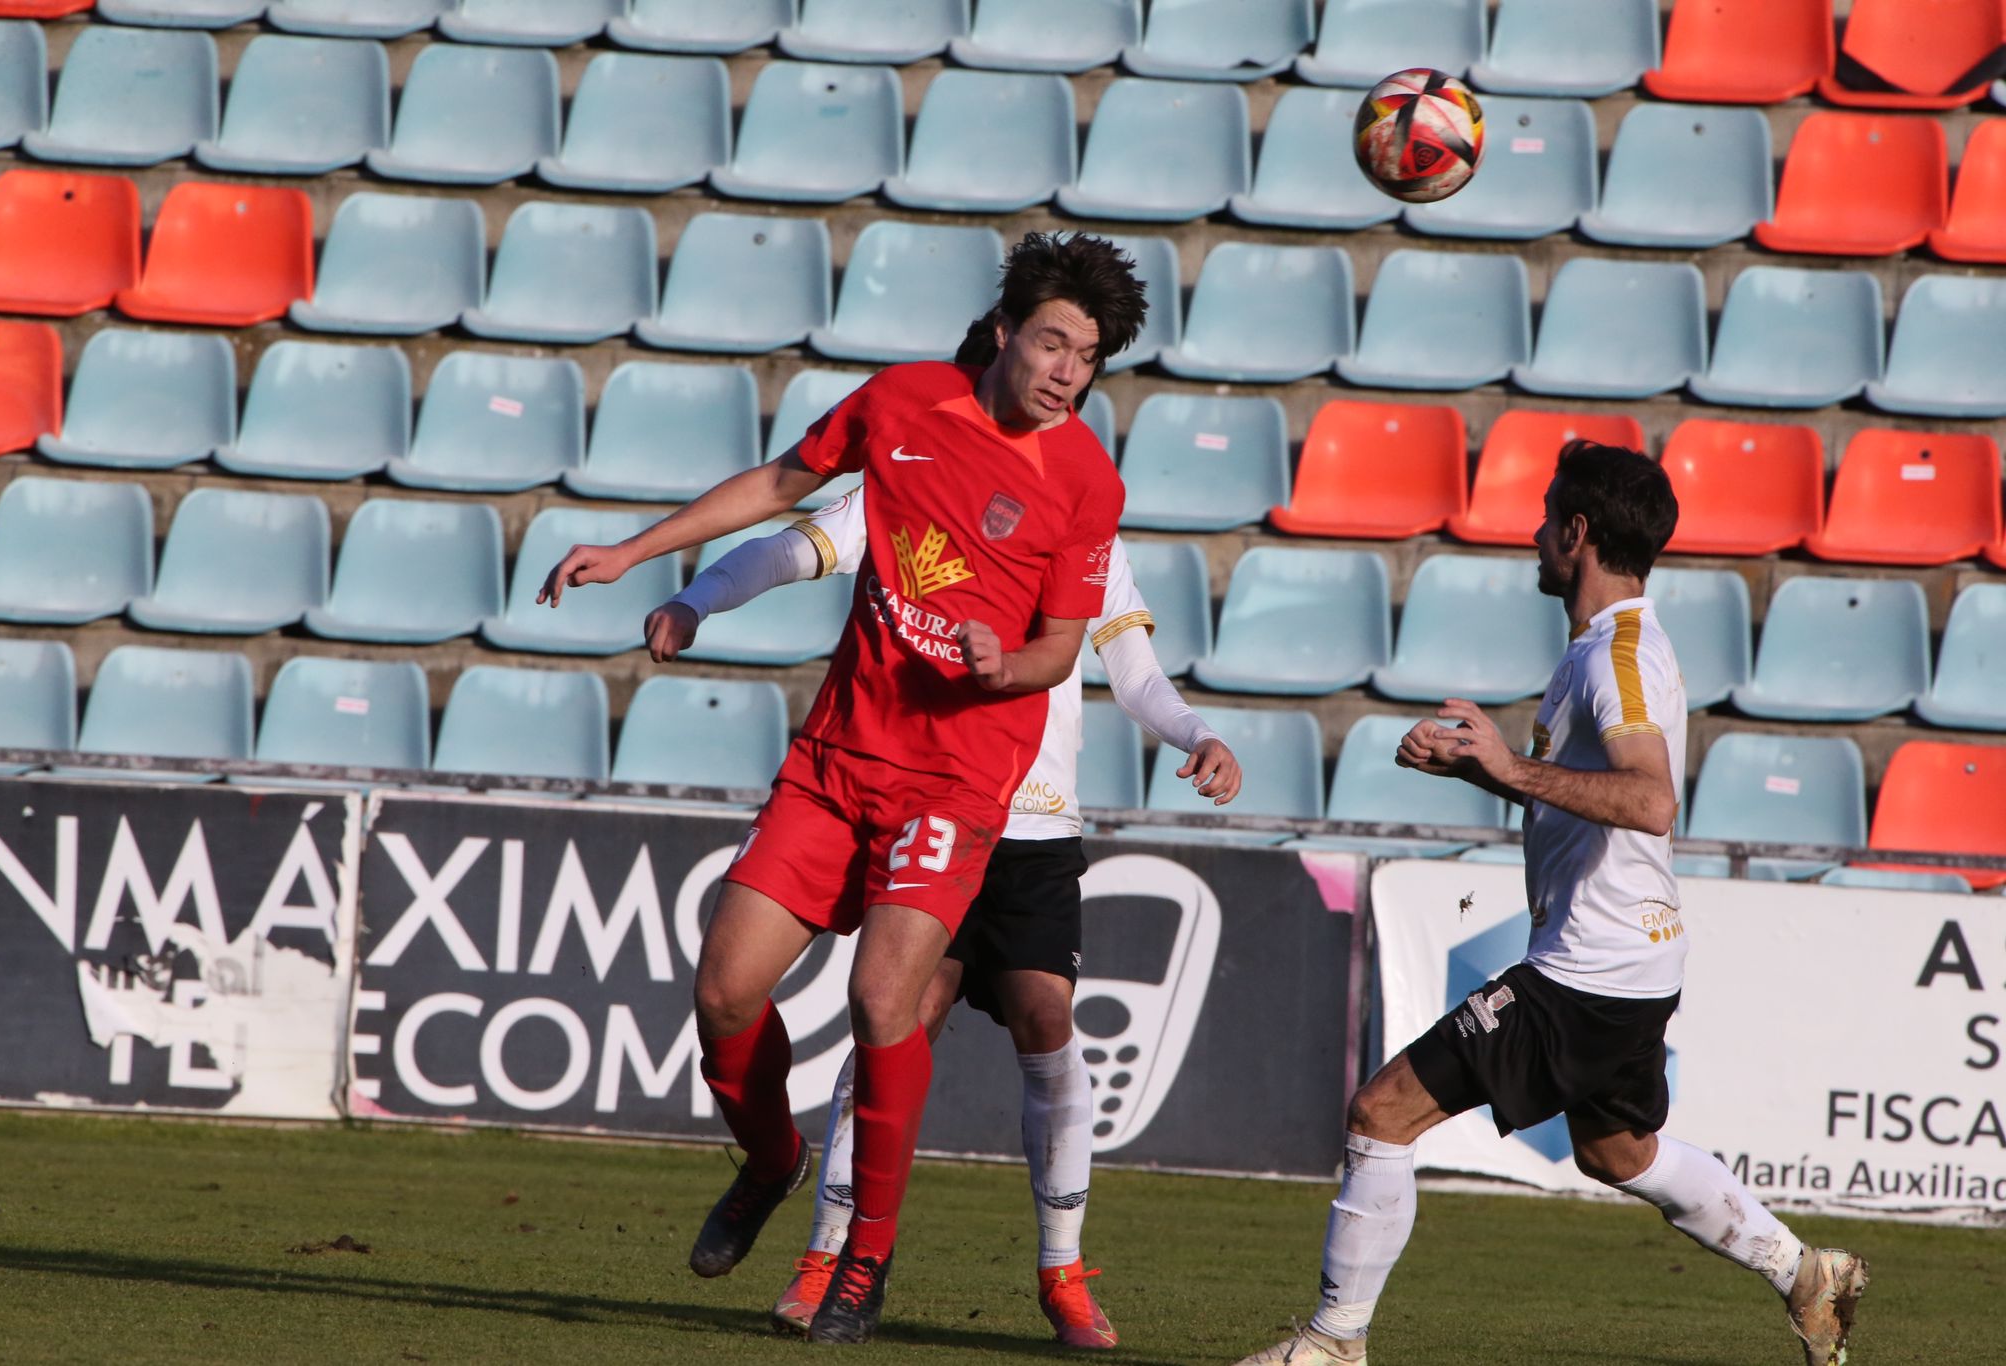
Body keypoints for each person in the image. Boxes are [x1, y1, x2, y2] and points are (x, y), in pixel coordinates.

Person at [541, 231, 1146, 1345]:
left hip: (955, 781)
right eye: (1053, 341)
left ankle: (863, 1259)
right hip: (833, 761)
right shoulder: (904, 404)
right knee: (723, 992)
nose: (1067, 370)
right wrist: (637, 555)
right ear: (1005, 331)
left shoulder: (1086, 481)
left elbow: (1063, 649)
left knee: (880, 1002)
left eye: (1088, 356)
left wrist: (998, 665)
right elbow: (781, 491)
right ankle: (771, 1162)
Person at [1235, 442, 1867, 1366]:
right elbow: (1589, 803)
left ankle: (1333, 1344)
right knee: (1618, 1153)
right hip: (1627, 965)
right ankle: (1803, 1272)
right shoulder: (1609, 650)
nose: (1534, 535)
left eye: (1545, 519)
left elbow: (1649, 801)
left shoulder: (1618, 654)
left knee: (1382, 1113)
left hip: (1588, 972)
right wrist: (1481, 772)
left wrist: (1505, 764)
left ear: (1577, 533)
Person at [648, 478, 1243, 1348]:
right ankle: (826, 1256)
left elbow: (1135, 671)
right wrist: (696, 597)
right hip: (931, 806)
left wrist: (1198, 734)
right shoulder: (917, 489)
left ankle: (1063, 1273)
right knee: (894, 1018)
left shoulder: (1085, 532)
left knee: (1046, 1017)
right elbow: (789, 546)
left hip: (1033, 828)